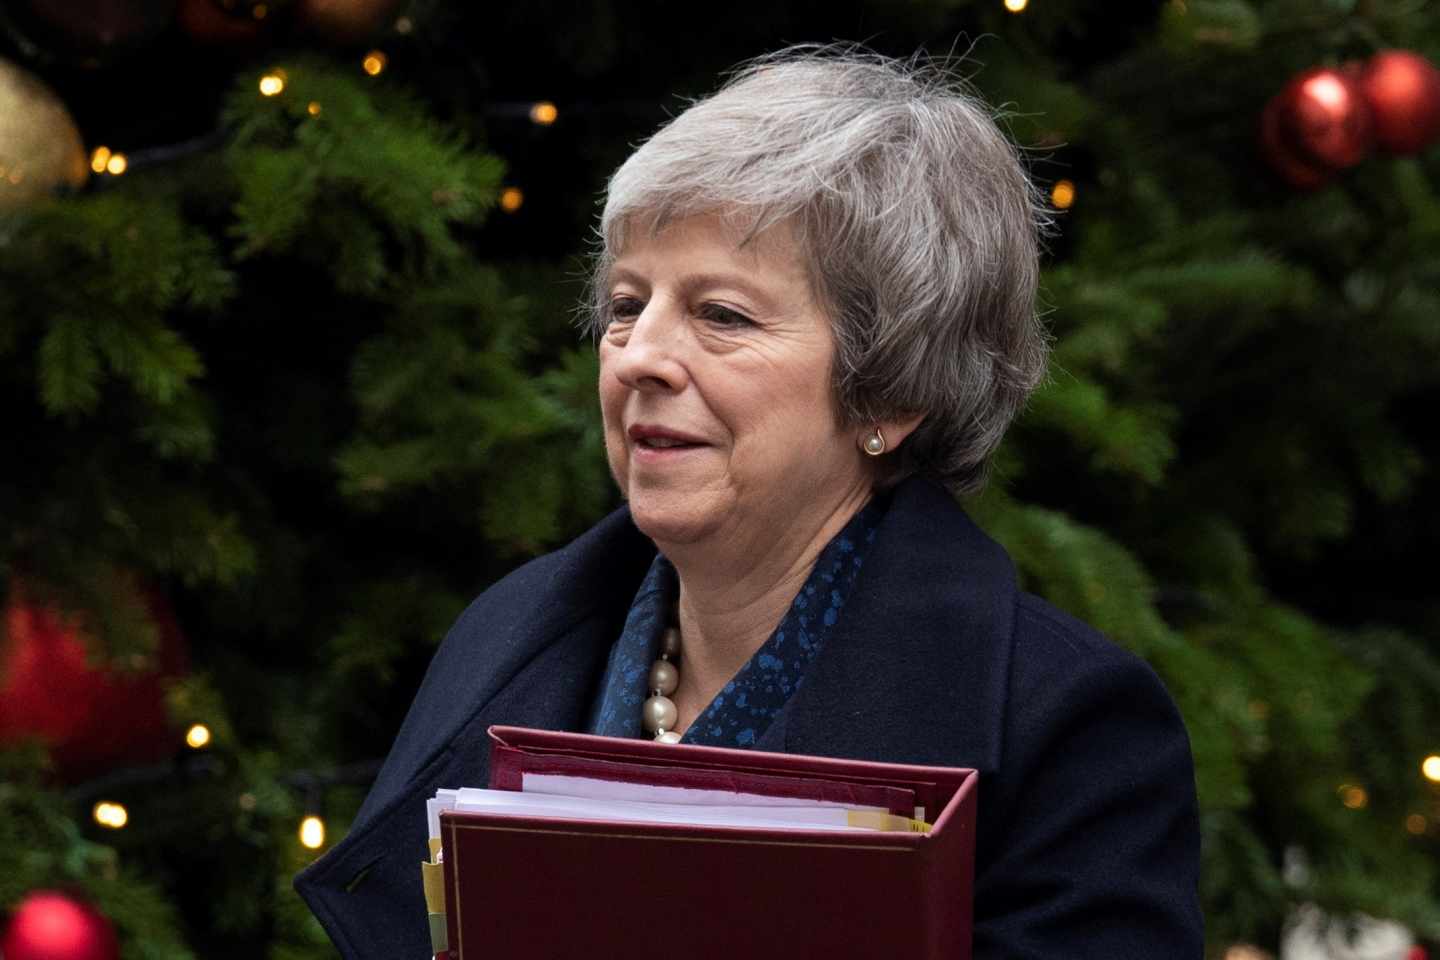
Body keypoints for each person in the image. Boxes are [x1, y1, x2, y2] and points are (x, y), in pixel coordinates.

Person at [296, 46, 1203, 958]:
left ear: (889, 391)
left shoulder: (1068, 730)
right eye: (625, 304)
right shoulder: (506, 640)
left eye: (721, 315)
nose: (638, 355)